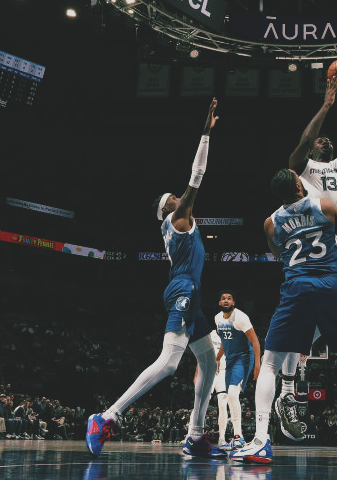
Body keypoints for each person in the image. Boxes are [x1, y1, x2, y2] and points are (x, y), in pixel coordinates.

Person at [85, 99, 225, 460]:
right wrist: (205, 134)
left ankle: (195, 435)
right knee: (170, 362)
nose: (180, 198)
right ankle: (106, 416)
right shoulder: (178, 219)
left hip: (188, 294)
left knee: (208, 362)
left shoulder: (174, 224)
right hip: (183, 290)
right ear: (167, 209)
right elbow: (197, 176)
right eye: (174, 199)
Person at [230, 169, 337, 465]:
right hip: (332, 286)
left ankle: (260, 441)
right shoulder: (326, 206)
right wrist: (331, 252)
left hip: (297, 288)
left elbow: (278, 254)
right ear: (298, 184)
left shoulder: (271, 222)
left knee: (269, 364)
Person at [275, 74, 337, 441]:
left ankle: (290, 384)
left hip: (334, 258)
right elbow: (302, 143)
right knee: (302, 329)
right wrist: (327, 105)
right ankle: (287, 391)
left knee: (314, 332)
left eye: (326, 139)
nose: (324, 139)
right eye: (320, 139)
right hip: (308, 253)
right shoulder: (300, 170)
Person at [213, 290, 261, 450]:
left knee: (233, 394)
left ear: (233, 303)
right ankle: (235, 436)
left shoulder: (240, 317)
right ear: (220, 303)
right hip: (230, 359)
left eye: (229, 298)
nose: (226, 301)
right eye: (223, 298)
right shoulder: (218, 318)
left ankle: (238, 436)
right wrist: (218, 357)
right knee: (229, 398)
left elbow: (255, 341)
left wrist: (257, 365)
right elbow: (224, 341)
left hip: (244, 358)